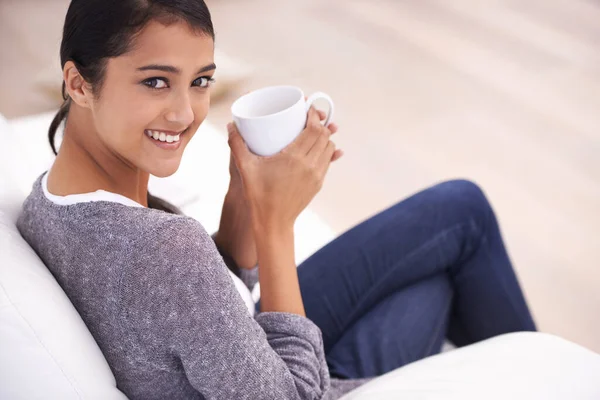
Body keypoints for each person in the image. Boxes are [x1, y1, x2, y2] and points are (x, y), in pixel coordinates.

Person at [16, 1, 536, 399]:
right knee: (455, 240)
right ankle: (552, 374)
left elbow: (186, 306)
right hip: (292, 377)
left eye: (200, 82)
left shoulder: (53, 197)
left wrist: (244, 192)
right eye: (156, 82)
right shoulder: (162, 251)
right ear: (78, 83)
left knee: (455, 216)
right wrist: (275, 224)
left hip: (240, 344)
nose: (184, 114)